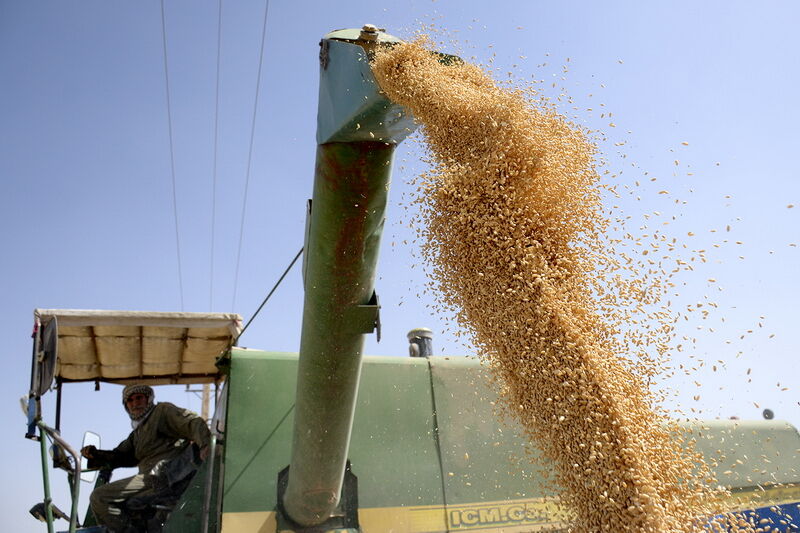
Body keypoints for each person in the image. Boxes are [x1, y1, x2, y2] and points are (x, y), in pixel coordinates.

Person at [81, 384, 211, 532]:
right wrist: (95, 454)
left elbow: (192, 421)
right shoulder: (138, 431)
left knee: (99, 497)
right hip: (150, 479)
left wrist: (205, 444)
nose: (135, 403)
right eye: (130, 400)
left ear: (148, 399)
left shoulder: (162, 412)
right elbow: (121, 456)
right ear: (126, 406)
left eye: (139, 398)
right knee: (117, 504)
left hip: (164, 477)